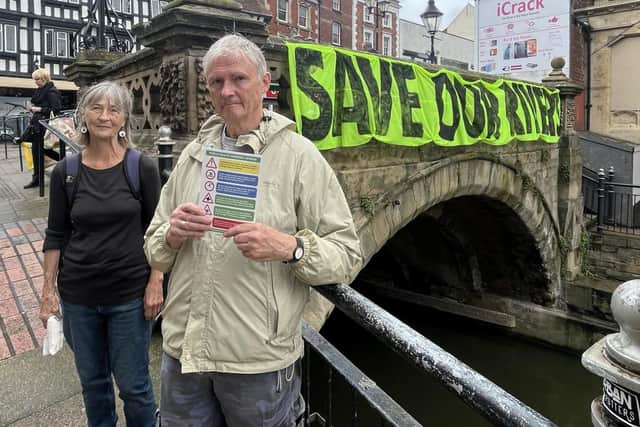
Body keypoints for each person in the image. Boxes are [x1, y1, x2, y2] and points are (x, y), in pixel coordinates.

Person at [144, 34, 363, 427]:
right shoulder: (193, 156)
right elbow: (155, 251)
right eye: (216, 82)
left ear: (265, 83)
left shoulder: (299, 156)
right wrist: (172, 234)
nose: (227, 91)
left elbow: (348, 254)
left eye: (238, 79)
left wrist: (291, 247)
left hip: (256, 361)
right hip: (184, 351)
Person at [39, 81, 163, 427]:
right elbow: (56, 235)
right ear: (83, 115)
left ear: (125, 118)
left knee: (134, 386)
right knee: (93, 385)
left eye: (114, 109)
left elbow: (157, 231)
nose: (104, 116)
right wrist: (48, 292)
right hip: (79, 296)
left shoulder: (142, 168)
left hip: (128, 296)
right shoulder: (66, 173)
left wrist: (157, 280)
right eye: (96, 108)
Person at [24, 68, 62, 189]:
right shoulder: (40, 91)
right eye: (34, 79)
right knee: (36, 151)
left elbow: (56, 109)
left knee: (41, 150)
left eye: (37, 79)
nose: (35, 81)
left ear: (44, 78)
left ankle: (65, 160)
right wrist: (31, 108)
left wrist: (39, 109)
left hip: (45, 126)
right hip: (37, 125)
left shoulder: (51, 91)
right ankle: (36, 178)